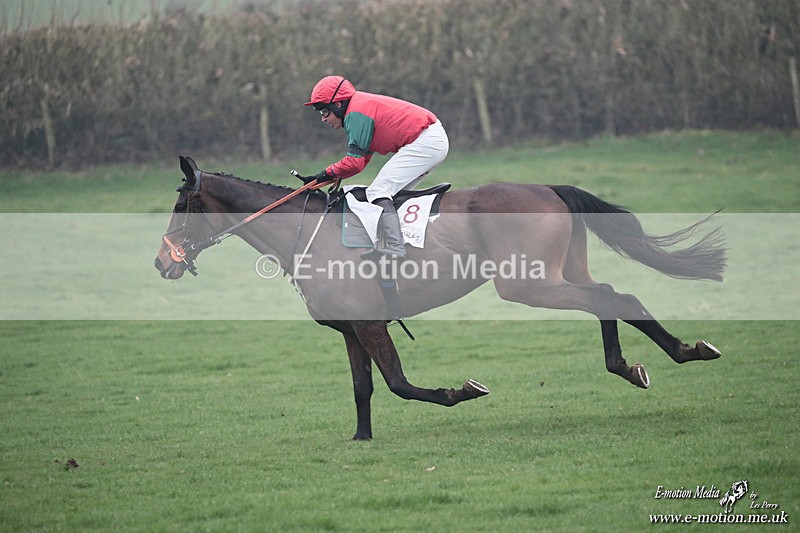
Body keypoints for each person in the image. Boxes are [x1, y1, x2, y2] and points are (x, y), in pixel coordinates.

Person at [301, 75, 449, 259]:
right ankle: (395, 242)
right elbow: (360, 163)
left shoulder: (356, 113)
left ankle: (395, 247)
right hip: (430, 139)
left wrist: (326, 173)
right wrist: (327, 176)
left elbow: (353, 162)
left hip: (426, 141)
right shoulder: (358, 108)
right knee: (387, 194)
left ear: (337, 105)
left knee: (378, 191)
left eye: (324, 112)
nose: (323, 119)